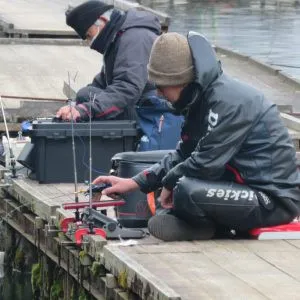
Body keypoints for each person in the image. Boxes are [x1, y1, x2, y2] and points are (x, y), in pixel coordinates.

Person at [92, 32, 300, 241]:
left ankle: (206, 228)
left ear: (182, 81)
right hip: (240, 186)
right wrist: (134, 183)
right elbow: (184, 154)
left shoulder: (230, 102)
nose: (158, 94)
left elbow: (205, 163)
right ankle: (204, 225)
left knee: (185, 189)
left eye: (162, 86)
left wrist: (169, 183)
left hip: (273, 199)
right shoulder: (200, 99)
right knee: (170, 189)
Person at [56, 0, 161, 121]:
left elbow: (127, 88)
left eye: (89, 36)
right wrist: (75, 106)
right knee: (85, 94)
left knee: (87, 99)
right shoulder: (118, 37)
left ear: (103, 21)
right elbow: (104, 81)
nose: (90, 44)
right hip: (139, 101)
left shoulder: (134, 39)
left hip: (151, 110)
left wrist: (86, 109)